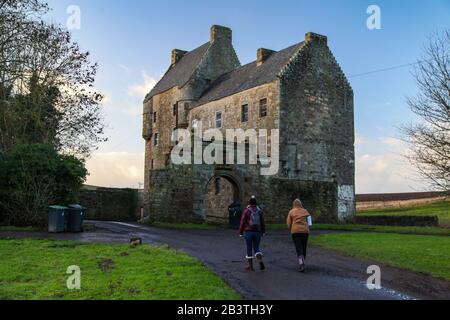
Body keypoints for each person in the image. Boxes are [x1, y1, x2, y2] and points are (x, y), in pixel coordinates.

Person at [239, 196, 266, 271]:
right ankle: (259, 258)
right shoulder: (260, 211)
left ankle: (250, 267)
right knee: (256, 247)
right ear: (256, 203)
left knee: (249, 248)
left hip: (248, 232)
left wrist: (240, 232)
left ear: (249, 203)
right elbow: (262, 222)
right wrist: (263, 231)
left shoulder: (246, 211)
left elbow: (242, 222)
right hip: (257, 232)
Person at [287, 199, 311, 273]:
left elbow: (288, 223)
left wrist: (290, 228)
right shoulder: (305, 211)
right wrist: (307, 227)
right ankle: (303, 262)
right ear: (301, 204)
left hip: (295, 232)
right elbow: (310, 221)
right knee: (304, 247)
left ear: (294, 204)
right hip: (305, 232)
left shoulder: (292, 211)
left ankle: (301, 264)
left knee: (298, 248)